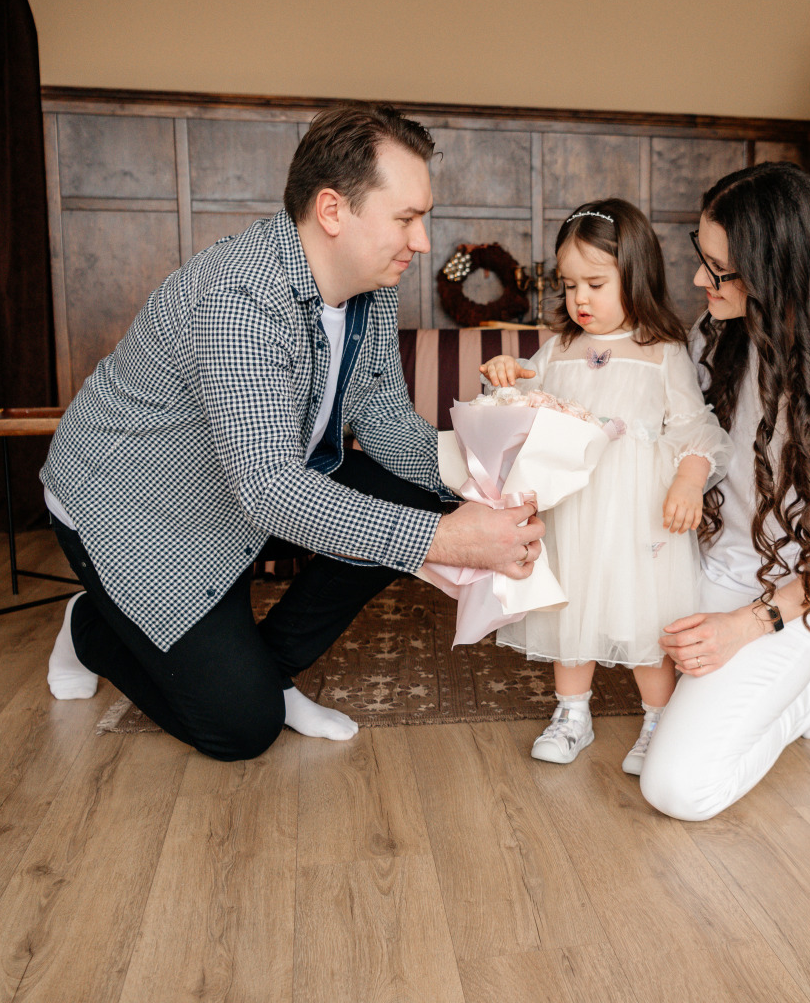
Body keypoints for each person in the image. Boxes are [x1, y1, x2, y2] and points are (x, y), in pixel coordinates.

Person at [39, 103, 544, 762]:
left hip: (243, 485)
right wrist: (448, 538)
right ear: (332, 211)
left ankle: (269, 671)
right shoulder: (239, 299)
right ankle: (90, 628)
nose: (422, 242)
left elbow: (386, 418)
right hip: (136, 512)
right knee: (239, 730)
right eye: (405, 218)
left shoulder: (371, 282)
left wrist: (489, 479)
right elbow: (271, 489)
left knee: (419, 495)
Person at [637, 163, 810, 821]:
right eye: (703, 260)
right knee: (614, 612)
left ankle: (806, 692)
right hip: (713, 565)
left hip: (798, 592)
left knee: (677, 791)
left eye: (719, 269)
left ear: (774, 270)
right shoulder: (713, 337)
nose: (700, 281)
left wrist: (744, 628)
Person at [480, 199, 731, 775]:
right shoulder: (559, 348)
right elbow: (524, 400)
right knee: (572, 610)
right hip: (577, 510)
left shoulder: (661, 351)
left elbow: (696, 426)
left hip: (643, 515)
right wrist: (502, 375)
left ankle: (658, 721)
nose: (580, 300)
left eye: (595, 283)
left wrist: (689, 482)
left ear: (635, 276)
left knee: (648, 618)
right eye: (569, 286)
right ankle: (573, 714)